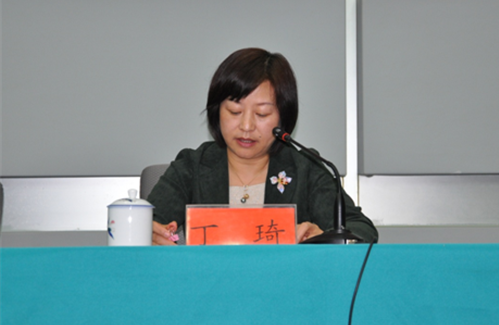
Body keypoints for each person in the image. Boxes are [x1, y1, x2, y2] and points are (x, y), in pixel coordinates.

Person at [149, 48, 378, 245]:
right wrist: (146, 233)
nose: (247, 126)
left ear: (283, 116)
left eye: (262, 114)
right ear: (217, 111)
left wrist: (327, 238)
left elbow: (361, 230)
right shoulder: (193, 167)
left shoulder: (305, 168)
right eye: (235, 112)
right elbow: (146, 222)